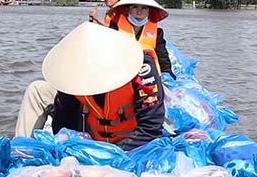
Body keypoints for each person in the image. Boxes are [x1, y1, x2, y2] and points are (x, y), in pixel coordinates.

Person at [16, 22, 164, 151]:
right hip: (94, 138)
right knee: (37, 89)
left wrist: (114, 153)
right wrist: (69, 147)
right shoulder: (73, 73)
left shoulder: (141, 66)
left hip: (131, 142)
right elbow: (65, 117)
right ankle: (20, 152)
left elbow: (151, 128)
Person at [108, 0, 174, 78]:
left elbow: (163, 57)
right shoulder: (114, 29)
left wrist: (167, 74)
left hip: (148, 74)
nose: (139, 12)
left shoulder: (157, 33)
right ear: (127, 10)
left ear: (149, 12)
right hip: (121, 74)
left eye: (144, 8)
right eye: (135, 7)